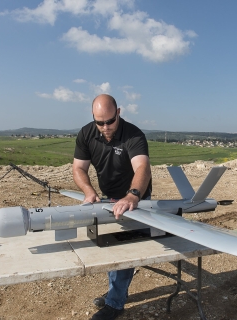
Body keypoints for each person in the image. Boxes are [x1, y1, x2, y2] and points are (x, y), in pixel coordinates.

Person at [72, 94, 152, 320]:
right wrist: (89, 191)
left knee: (123, 247)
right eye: (100, 122)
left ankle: (115, 304)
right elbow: (78, 168)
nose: (105, 127)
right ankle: (115, 294)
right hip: (109, 198)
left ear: (118, 113)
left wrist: (132, 196)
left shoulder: (134, 135)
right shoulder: (86, 134)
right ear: (93, 118)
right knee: (110, 245)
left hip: (135, 197)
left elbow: (142, 168)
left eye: (110, 121)